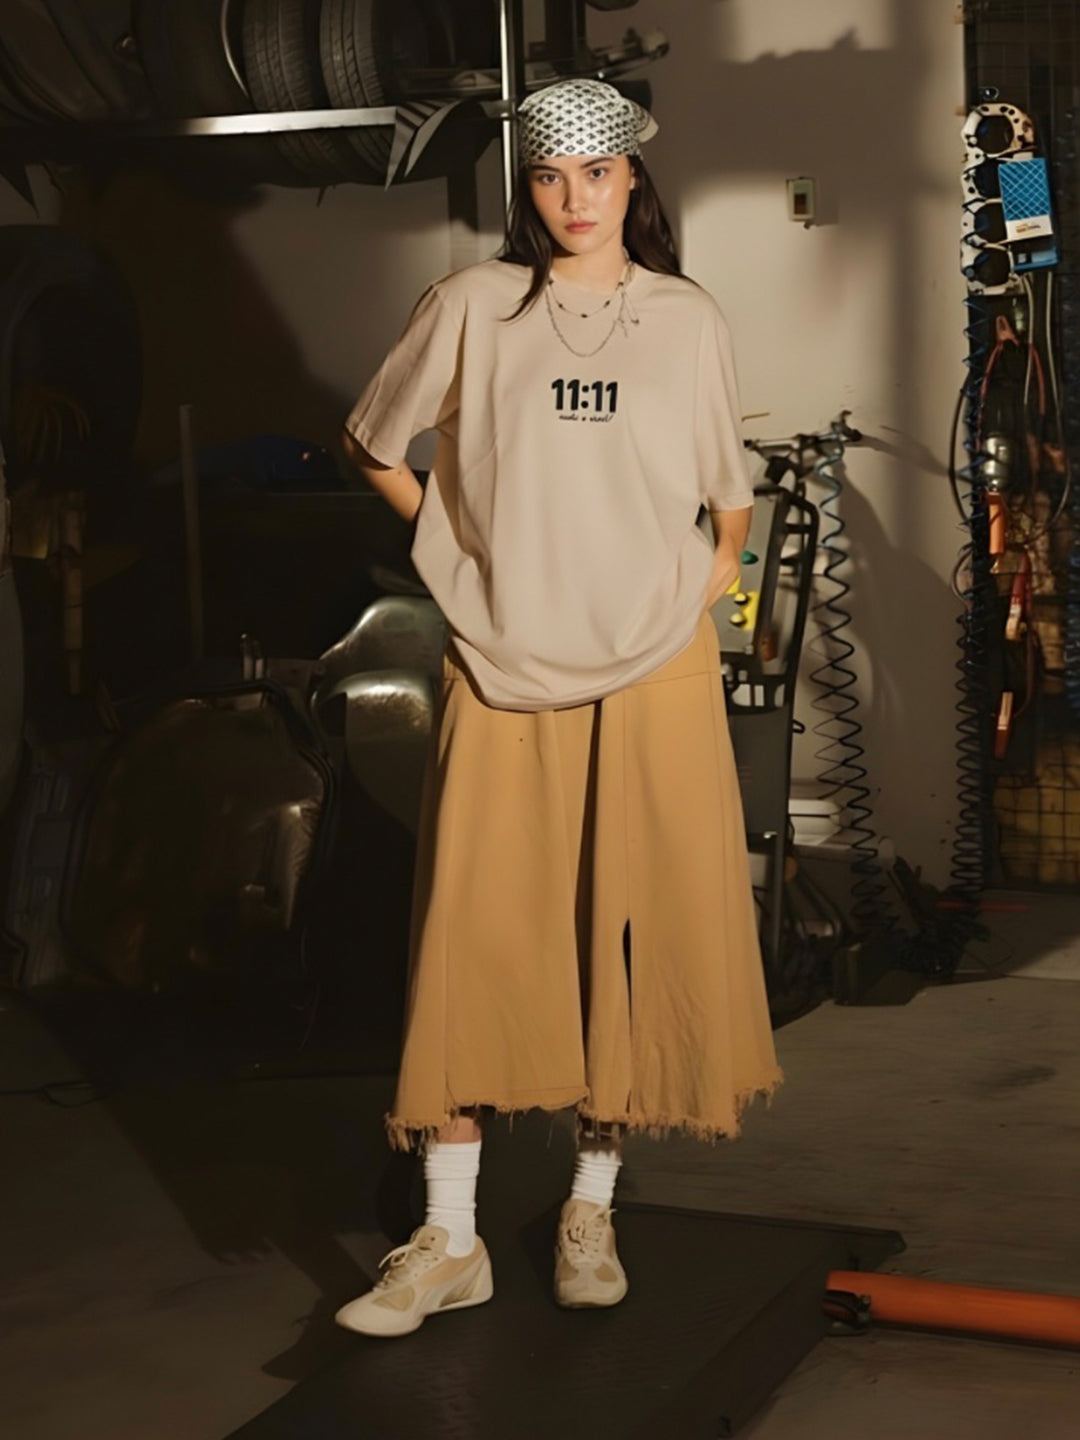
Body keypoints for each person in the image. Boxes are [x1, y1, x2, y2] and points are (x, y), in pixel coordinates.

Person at [334, 78, 781, 1338]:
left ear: (634, 176)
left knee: (625, 937)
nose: (575, 199)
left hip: (651, 669)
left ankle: (592, 1207)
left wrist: (708, 579)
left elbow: (726, 494)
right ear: (524, 185)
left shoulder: (685, 317)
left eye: (597, 173)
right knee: (472, 934)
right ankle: (451, 1235)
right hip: (502, 662)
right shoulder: (471, 305)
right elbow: (374, 442)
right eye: (549, 175)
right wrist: (460, 555)